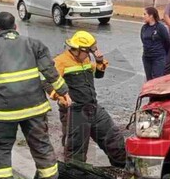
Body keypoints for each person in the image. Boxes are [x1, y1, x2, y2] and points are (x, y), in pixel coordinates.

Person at [0, 12, 71, 179]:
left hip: (5, 111)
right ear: (15, 27)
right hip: (35, 106)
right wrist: (64, 92)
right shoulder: (34, 44)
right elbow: (50, 72)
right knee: (41, 143)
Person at [51, 31, 126, 167]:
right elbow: (47, 82)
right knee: (76, 152)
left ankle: (123, 172)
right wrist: (60, 96)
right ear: (79, 50)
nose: (90, 55)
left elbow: (98, 75)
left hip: (93, 107)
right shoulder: (61, 61)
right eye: (88, 52)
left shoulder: (84, 59)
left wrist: (99, 62)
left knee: (114, 140)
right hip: (75, 111)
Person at [140, 7, 170, 81]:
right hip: (147, 57)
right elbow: (143, 40)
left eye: (145, 14)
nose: (143, 16)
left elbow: (167, 41)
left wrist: (163, 54)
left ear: (151, 15)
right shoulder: (144, 28)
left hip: (158, 57)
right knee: (149, 79)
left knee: (157, 79)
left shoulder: (160, 27)